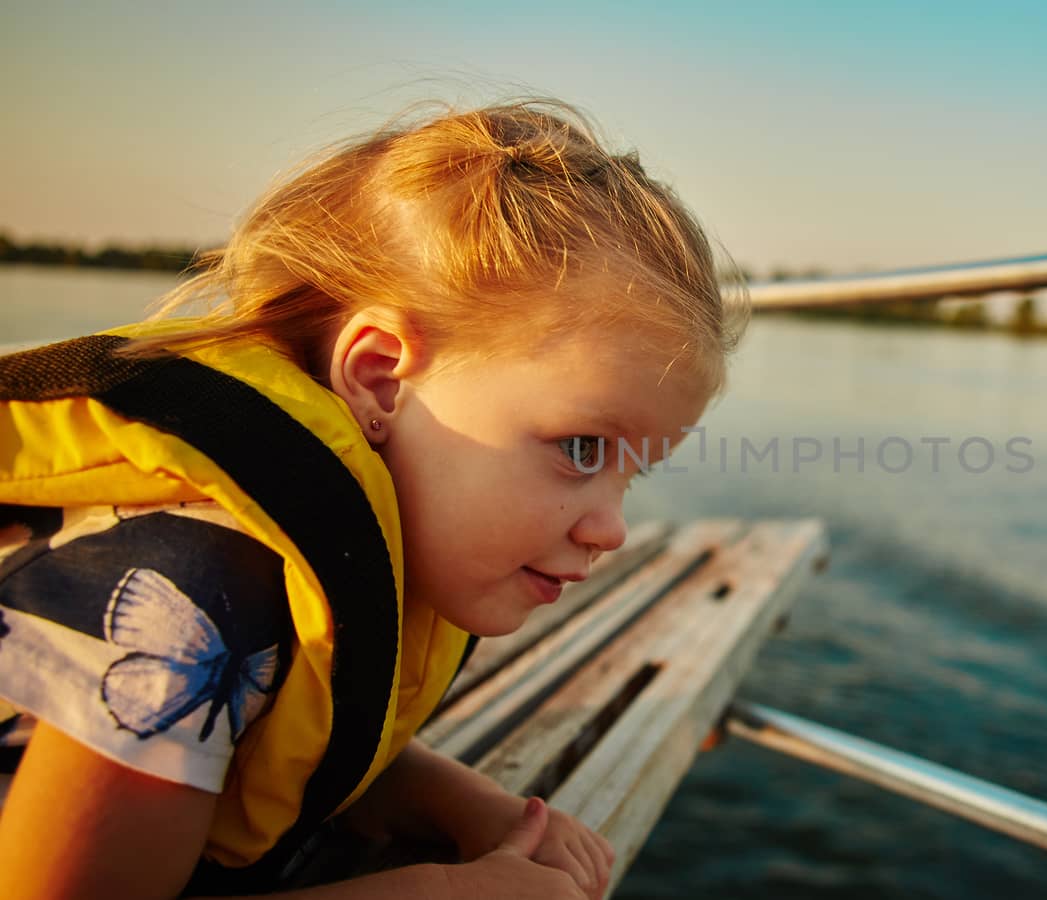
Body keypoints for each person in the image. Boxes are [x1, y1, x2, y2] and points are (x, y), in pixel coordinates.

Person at [0, 98, 744, 899]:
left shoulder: (346, 560)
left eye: (632, 471)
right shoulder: (195, 594)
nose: (613, 530)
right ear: (381, 376)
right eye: (580, 449)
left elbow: (294, 735)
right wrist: (443, 893)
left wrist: (477, 809)